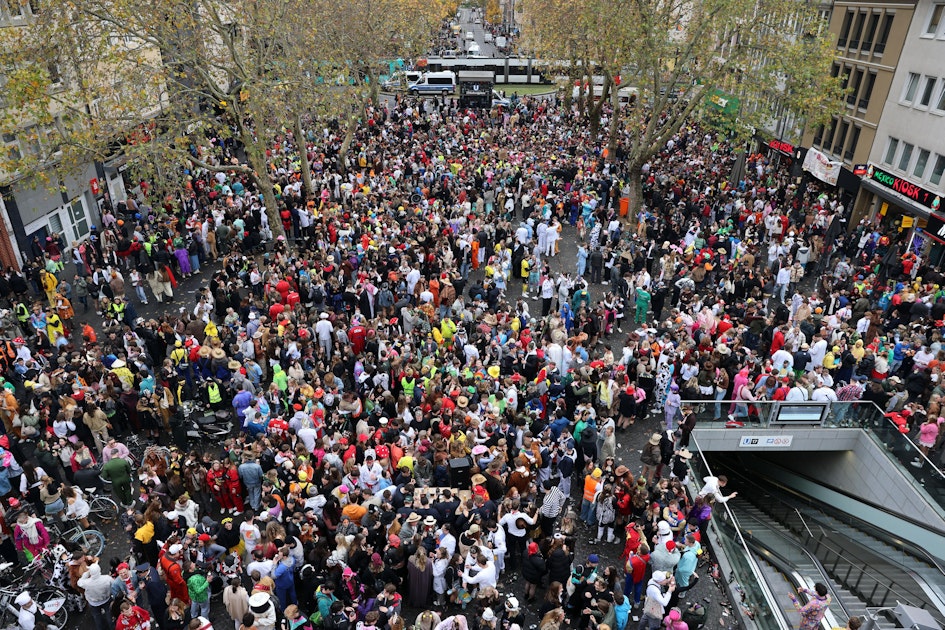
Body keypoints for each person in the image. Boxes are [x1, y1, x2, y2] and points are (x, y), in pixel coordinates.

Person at [77, 562, 114, 630]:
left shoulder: (86, 582)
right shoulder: (107, 578)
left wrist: (87, 573)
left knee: (97, 617)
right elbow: (113, 585)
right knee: (109, 614)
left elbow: (79, 582)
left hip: (94, 603)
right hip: (106, 599)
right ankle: (112, 627)